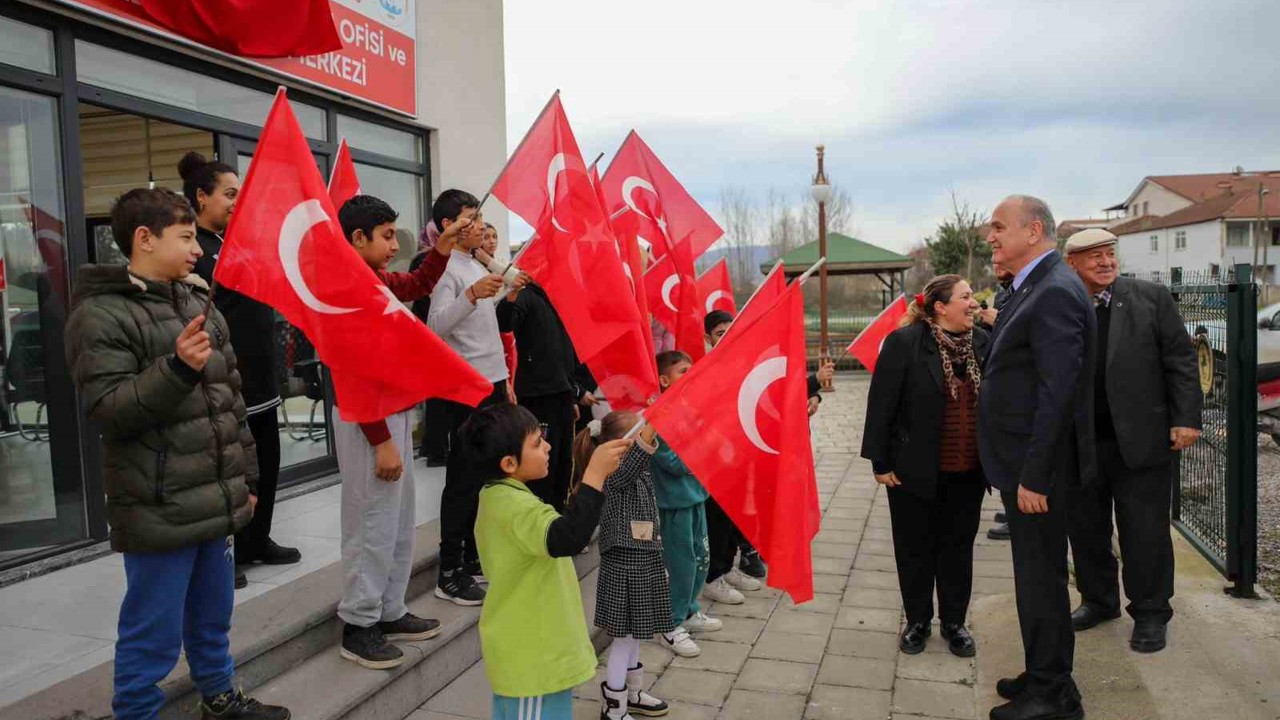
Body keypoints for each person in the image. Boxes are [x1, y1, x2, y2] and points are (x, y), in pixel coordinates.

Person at [64, 188, 289, 720]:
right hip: (157, 499)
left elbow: (231, 402)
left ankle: (220, 697)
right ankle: (137, 711)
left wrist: (248, 479)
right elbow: (108, 409)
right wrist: (177, 369)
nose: (196, 249)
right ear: (144, 239)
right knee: (153, 629)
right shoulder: (100, 314)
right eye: (185, 238)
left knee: (213, 614)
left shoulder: (197, 301)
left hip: (216, 495)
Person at [333, 194, 466, 670]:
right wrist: (382, 440)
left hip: (392, 414)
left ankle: (388, 610)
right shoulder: (347, 291)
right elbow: (352, 374)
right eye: (386, 235)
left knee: (396, 519)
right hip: (370, 419)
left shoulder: (372, 281)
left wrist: (443, 248)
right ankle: (359, 624)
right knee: (371, 524)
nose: (394, 244)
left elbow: (415, 283)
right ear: (357, 238)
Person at [979, 195, 1094, 720]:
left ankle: (1052, 695)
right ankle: (1045, 673)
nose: (991, 237)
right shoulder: (1035, 286)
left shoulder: (1053, 291)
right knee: (1035, 578)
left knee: (1042, 580)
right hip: (1026, 465)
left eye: (1000, 227)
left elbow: (1058, 394)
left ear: (1035, 230)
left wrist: (1035, 477)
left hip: (1039, 473)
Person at [1063, 229, 1201, 653]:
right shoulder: (1062, 305)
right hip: (1081, 443)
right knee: (1087, 530)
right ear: (1071, 264)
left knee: (1145, 532)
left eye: (1109, 254)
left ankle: (1151, 612)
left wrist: (1185, 418)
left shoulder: (1150, 298)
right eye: (1093, 257)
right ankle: (1099, 601)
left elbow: (1180, 359)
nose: (1105, 262)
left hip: (1142, 441)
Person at [462, 403, 630, 720]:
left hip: (537, 650)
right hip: (532, 655)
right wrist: (594, 474)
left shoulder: (508, 496)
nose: (548, 446)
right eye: (538, 442)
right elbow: (565, 538)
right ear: (509, 462)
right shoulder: (509, 503)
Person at [182, 152, 300, 592]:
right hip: (222, 381)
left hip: (259, 375)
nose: (237, 202)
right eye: (229, 193)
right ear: (201, 196)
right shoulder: (196, 250)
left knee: (266, 462)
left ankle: (256, 539)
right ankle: (225, 553)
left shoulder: (236, 241)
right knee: (229, 470)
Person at [861, 275, 990, 658]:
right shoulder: (906, 343)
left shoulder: (983, 342)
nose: (973, 303)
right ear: (940, 306)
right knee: (914, 548)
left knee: (958, 548)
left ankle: (954, 623)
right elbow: (881, 403)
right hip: (912, 470)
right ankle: (918, 621)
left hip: (967, 470)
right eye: (965, 297)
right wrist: (880, 462)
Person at [426, 189, 512, 605]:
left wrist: (506, 378)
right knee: (462, 481)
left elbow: (487, 333)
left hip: (493, 382)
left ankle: (474, 557)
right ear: (448, 226)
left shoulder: (475, 261)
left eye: (480, 219)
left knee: (487, 477)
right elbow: (435, 326)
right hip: (465, 388)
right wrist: (472, 295)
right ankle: (449, 570)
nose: (479, 226)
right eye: (471, 219)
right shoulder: (448, 271)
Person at [571, 412, 671, 720]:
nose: (647, 437)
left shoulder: (636, 470)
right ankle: (613, 706)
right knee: (624, 638)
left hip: (644, 558)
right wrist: (658, 418)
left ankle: (633, 692)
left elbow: (639, 457)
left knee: (636, 634)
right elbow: (635, 458)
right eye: (638, 433)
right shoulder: (612, 473)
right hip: (625, 565)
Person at [496, 262, 595, 513]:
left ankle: (557, 518)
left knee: (563, 463)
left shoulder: (557, 300)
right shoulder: (526, 294)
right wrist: (511, 295)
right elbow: (504, 322)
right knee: (542, 468)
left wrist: (573, 393)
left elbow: (565, 356)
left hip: (562, 397)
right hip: (538, 399)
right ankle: (542, 523)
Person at [650, 350, 720, 658]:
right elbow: (673, 462)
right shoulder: (659, 417)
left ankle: (690, 610)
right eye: (682, 371)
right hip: (673, 503)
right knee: (680, 565)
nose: (690, 375)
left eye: (692, 369)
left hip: (695, 496)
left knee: (700, 556)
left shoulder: (689, 409)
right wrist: (703, 448)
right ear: (664, 380)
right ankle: (670, 622)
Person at [976, 264, 1015, 542]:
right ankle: (1009, 509)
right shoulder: (1007, 292)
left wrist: (995, 320)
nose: (997, 266)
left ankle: (1014, 516)